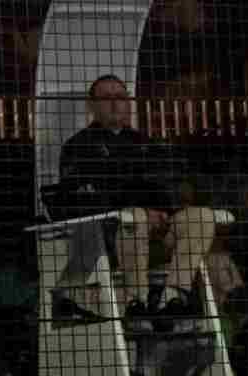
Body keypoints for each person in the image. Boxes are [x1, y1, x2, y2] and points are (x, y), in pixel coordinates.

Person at [58, 74, 218, 323]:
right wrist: (139, 209)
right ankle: (137, 300)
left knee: (202, 217)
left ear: (129, 103)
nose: (115, 104)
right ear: (91, 106)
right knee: (136, 216)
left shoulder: (145, 143)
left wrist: (163, 211)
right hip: (107, 235)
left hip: (157, 229)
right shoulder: (78, 146)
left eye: (120, 97)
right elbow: (79, 200)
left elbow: (164, 186)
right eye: (106, 98)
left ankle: (173, 296)